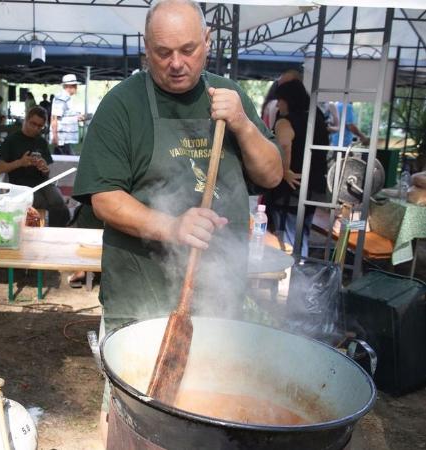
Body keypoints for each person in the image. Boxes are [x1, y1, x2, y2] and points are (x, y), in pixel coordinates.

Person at [72, 0, 281, 441]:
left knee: (206, 412)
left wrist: (242, 123)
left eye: (188, 49)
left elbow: (272, 174)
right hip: (139, 296)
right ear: (145, 50)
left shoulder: (231, 96)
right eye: (163, 52)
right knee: (132, 421)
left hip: (218, 297)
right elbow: (103, 197)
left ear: (207, 42)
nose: (177, 64)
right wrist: (171, 226)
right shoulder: (122, 105)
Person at [266, 80, 329, 257]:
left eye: (280, 100)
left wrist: (285, 171)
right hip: (314, 186)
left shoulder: (285, 122)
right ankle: (300, 272)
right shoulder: (317, 119)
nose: (278, 104)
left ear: (289, 100)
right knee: (302, 235)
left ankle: (292, 278)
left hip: (290, 191)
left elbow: (285, 145)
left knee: (287, 239)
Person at [0, 106, 70, 227]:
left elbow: (47, 171)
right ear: (26, 119)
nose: (36, 128)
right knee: (45, 203)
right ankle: (50, 230)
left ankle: (57, 232)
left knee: (58, 202)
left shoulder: (41, 141)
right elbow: (0, 168)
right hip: (20, 184)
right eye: (33, 124)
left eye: (40, 126)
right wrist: (20, 162)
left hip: (42, 182)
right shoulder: (11, 140)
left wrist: (44, 168)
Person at [51, 74, 83, 155]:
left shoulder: (67, 97)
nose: (76, 88)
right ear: (70, 86)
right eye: (75, 86)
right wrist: (55, 136)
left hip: (66, 138)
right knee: (65, 164)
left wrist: (76, 117)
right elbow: (55, 117)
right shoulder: (62, 97)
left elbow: (65, 116)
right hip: (62, 139)